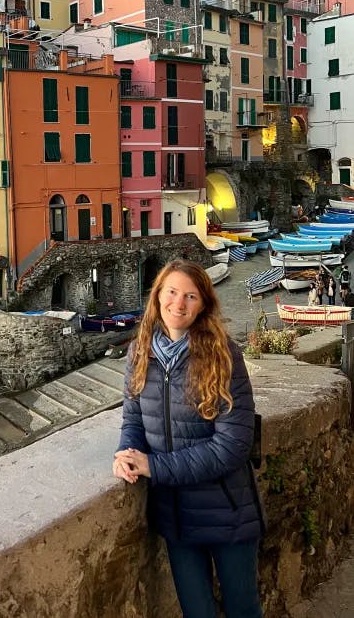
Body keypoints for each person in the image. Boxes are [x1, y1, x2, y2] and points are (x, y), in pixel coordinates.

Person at [113, 259, 264, 618]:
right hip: (176, 516)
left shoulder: (224, 356)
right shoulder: (139, 352)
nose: (178, 304)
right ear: (158, 296)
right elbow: (134, 418)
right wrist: (125, 451)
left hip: (227, 512)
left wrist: (154, 466)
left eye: (190, 296)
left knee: (243, 611)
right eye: (172, 292)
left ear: (204, 304)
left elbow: (231, 447)